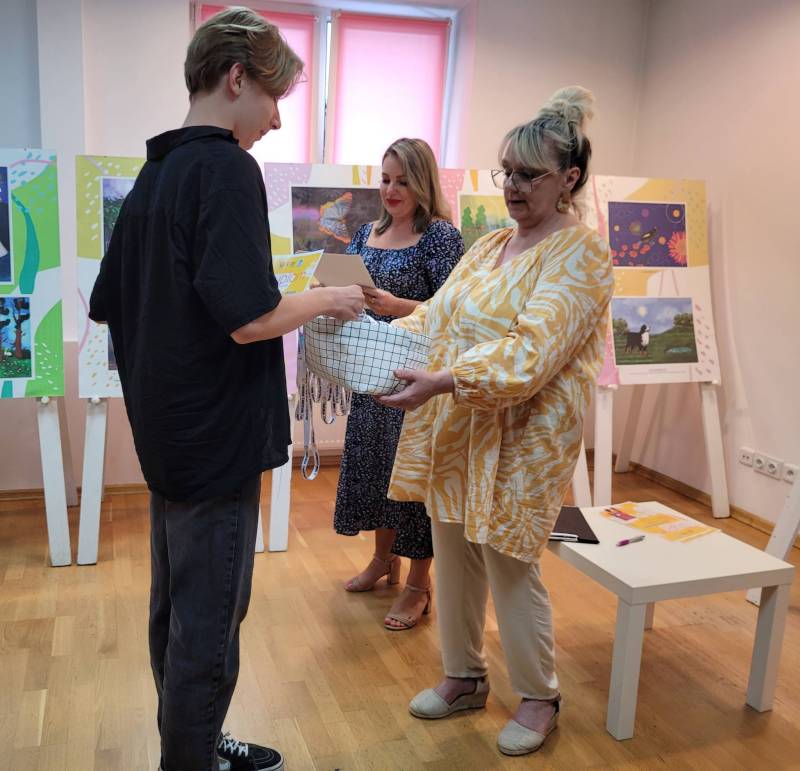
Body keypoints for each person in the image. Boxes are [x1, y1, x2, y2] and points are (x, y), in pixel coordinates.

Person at [88, 8, 364, 770]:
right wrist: (328, 297)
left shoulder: (155, 175)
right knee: (208, 626)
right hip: (214, 446)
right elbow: (249, 320)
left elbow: (110, 301)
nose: (276, 121)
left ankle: (198, 742)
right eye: (273, 98)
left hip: (170, 443)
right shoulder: (225, 169)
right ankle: (191, 757)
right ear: (237, 78)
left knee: (178, 612)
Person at [379, 87, 614, 755]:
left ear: (569, 178)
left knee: (510, 560)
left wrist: (445, 379)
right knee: (453, 550)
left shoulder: (581, 254)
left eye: (529, 174)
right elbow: (437, 317)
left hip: (524, 434)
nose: (512, 185)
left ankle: (539, 696)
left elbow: (531, 353)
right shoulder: (489, 247)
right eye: (506, 171)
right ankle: (464, 676)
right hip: (459, 425)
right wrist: (376, 336)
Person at [334, 138, 464, 630]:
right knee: (376, 471)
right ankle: (382, 561)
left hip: (418, 378)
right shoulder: (366, 232)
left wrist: (398, 306)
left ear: (423, 182)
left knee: (412, 480)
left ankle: (418, 585)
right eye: (386, 179)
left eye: (403, 181)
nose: (391, 190)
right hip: (370, 373)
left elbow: (456, 312)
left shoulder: (441, 237)